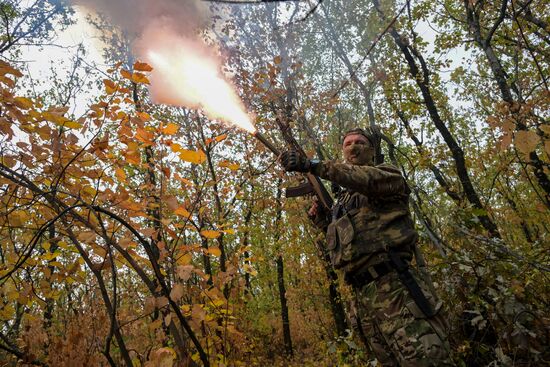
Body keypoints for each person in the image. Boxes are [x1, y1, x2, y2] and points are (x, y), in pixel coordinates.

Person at [280, 127, 452, 366]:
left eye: (359, 142)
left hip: (395, 287)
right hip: (362, 298)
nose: (353, 146)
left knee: (424, 359)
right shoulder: (344, 201)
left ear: (371, 149)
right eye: (348, 143)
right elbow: (348, 239)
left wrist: (313, 165)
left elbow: (365, 179)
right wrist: (322, 220)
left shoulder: (386, 175)